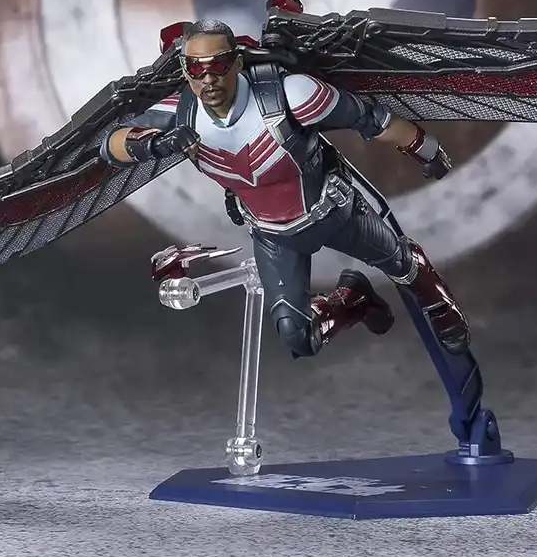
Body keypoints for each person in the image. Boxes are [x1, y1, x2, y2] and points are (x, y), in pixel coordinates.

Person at [101, 18, 470, 358]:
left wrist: (426, 149)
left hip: (334, 212)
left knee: (402, 264)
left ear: (237, 62)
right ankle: (354, 300)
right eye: (197, 68)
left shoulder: (291, 94)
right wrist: (154, 144)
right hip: (273, 237)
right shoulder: (179, 115)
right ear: (185, 70)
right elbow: (111, 144)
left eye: (219, 64)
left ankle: (438, 303)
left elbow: (372, 119)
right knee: (297, 336)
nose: (209, 78)